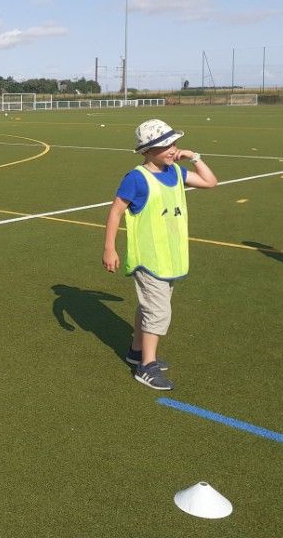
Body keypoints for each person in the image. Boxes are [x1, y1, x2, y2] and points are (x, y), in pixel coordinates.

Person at [102, 119, 217, 390]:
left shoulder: (176, 171)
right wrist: (109, 247)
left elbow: (210, 182)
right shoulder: (136, 179)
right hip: (149, 259)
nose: (171, 149)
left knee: (149, 308)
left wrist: (194, 157)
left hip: (170, 258)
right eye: (164, 145)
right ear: (147, 151)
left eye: (173, 143)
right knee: (158, 311)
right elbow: (116, 211)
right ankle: (147, 366)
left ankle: (136, 351)